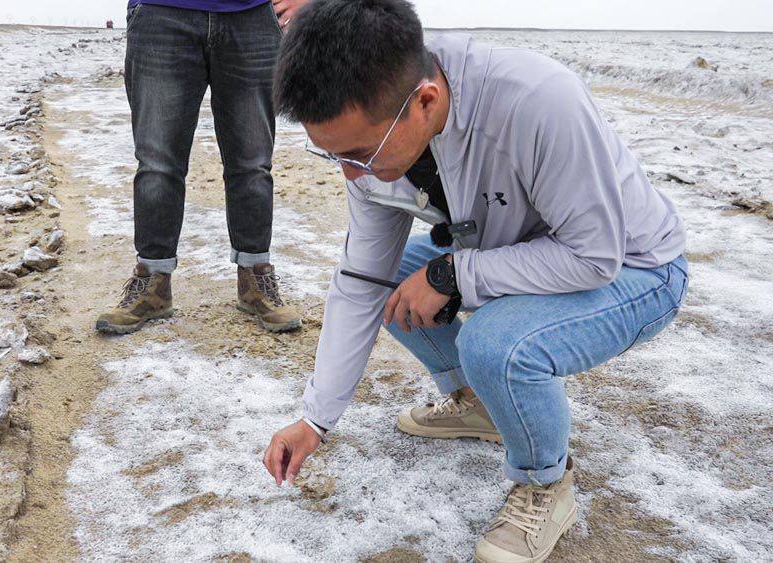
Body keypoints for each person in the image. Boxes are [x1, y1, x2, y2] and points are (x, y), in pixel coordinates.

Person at [262, 1, 688, 561]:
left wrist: (453, 273)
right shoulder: (376, 127)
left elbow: (593, 257)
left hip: (637, 268)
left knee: (496, 344)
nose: (349, 173)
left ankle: (544, 483)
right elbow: (361, 281)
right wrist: (316, 420)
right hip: (520, 253)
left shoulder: (537, 101)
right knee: (388, 278)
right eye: (331, 154)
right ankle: (483, 405)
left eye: (359, 154)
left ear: (425, 101)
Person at [96, 0, 310, 334]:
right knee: (157, 163)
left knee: (252, 163)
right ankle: (152, 283)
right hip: (160, 13)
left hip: (251, 17)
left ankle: (255, 278)